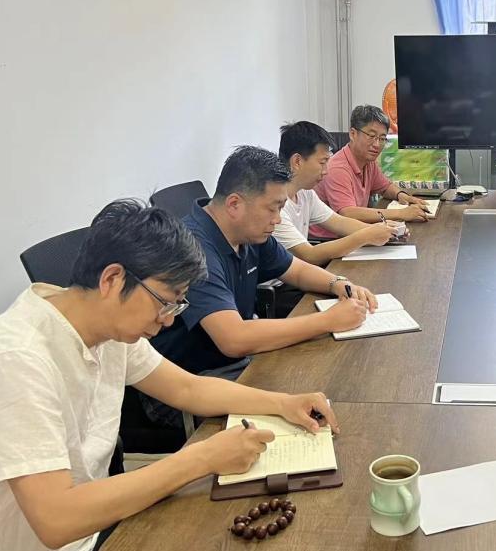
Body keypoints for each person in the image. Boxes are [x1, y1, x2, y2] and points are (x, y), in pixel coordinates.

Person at [0, 200, 339, 551]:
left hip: (84, 536)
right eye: (165, 303)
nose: (167, 321)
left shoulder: (107, 329)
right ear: (112, 279)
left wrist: (282, 403)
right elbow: (56, 519)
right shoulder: (16, 358)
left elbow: (188, 388)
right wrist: (201, 458)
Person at [145, 146, 376, 427]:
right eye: (273, 208)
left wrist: (338, 283)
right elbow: (233, 339)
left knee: (329, 382)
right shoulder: (194, 249)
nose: (277, 219)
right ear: (234, 204)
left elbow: (296, 270)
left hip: (236, 364)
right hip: (190, 383)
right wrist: (328, 321)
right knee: (322, 404)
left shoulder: (249, 232)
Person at [276, 120, 398, 265]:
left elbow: (339, 222)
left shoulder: (305, 193)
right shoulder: (275, 205)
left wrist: (382, 230)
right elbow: (309, 255)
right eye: (322, 163)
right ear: (297, 161)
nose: (326, 171)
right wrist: (366, 236)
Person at [312, 105, 431, 238]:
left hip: (354, 233)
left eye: (382, 138)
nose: (377, 144)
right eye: (371, 136)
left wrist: (402, 195)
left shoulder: (368, 161)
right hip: (329, 240)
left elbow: (385, 187)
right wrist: (402, 213)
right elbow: (348, 213)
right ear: (353, 134)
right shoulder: (337, 168)